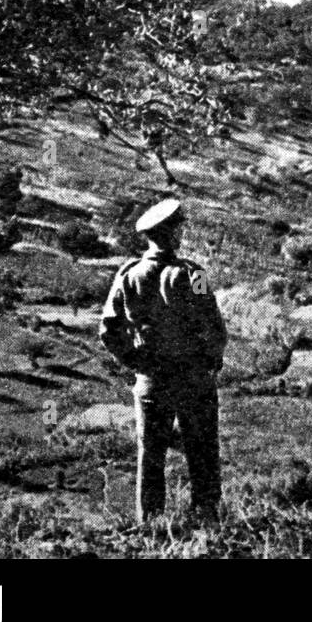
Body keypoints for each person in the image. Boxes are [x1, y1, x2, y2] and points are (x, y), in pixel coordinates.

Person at [100, 198, 227, 523]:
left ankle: (151, 525)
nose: (182, 233)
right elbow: (214, 323)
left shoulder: (127, 275)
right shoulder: (192, 273)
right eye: (180, 228)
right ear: (172, 234)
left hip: (151, 382)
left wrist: (137, 362)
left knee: (151, 456)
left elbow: (108, 331)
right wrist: (210, 362)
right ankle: (208, 523)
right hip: (194, 379)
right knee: (202, 455)